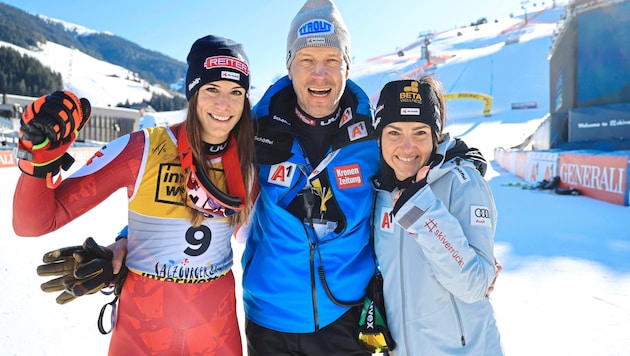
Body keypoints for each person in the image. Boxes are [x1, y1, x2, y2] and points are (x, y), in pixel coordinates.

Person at [13, 34, 256, 356]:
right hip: (143, 327)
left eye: (236, 92)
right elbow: (33, 223)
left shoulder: (250, 163)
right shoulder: (140, 149)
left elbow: (249, 235)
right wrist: (38, 157)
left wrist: (127, 241)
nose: (224, 104)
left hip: (216, 327)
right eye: (212, 89)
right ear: (192, 93)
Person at [237, 0, 380, 354]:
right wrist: (127, 239)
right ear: (289, 66)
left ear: (348, 65)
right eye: (306, 61)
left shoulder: (375, 136)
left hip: (346, 315)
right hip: (270, 319)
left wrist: (460, 159)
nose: (320, 74)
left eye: (332, 60)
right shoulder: (253, 130)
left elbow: (422, 161)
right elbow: (192, 183)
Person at [371, 76, 504, 355]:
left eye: (420, 133)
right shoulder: (379, 191)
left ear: (436, 135)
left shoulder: (462, 182)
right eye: (394, 132)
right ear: (379, 136)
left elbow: (474, 285)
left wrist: (421, 211)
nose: (407, 148)